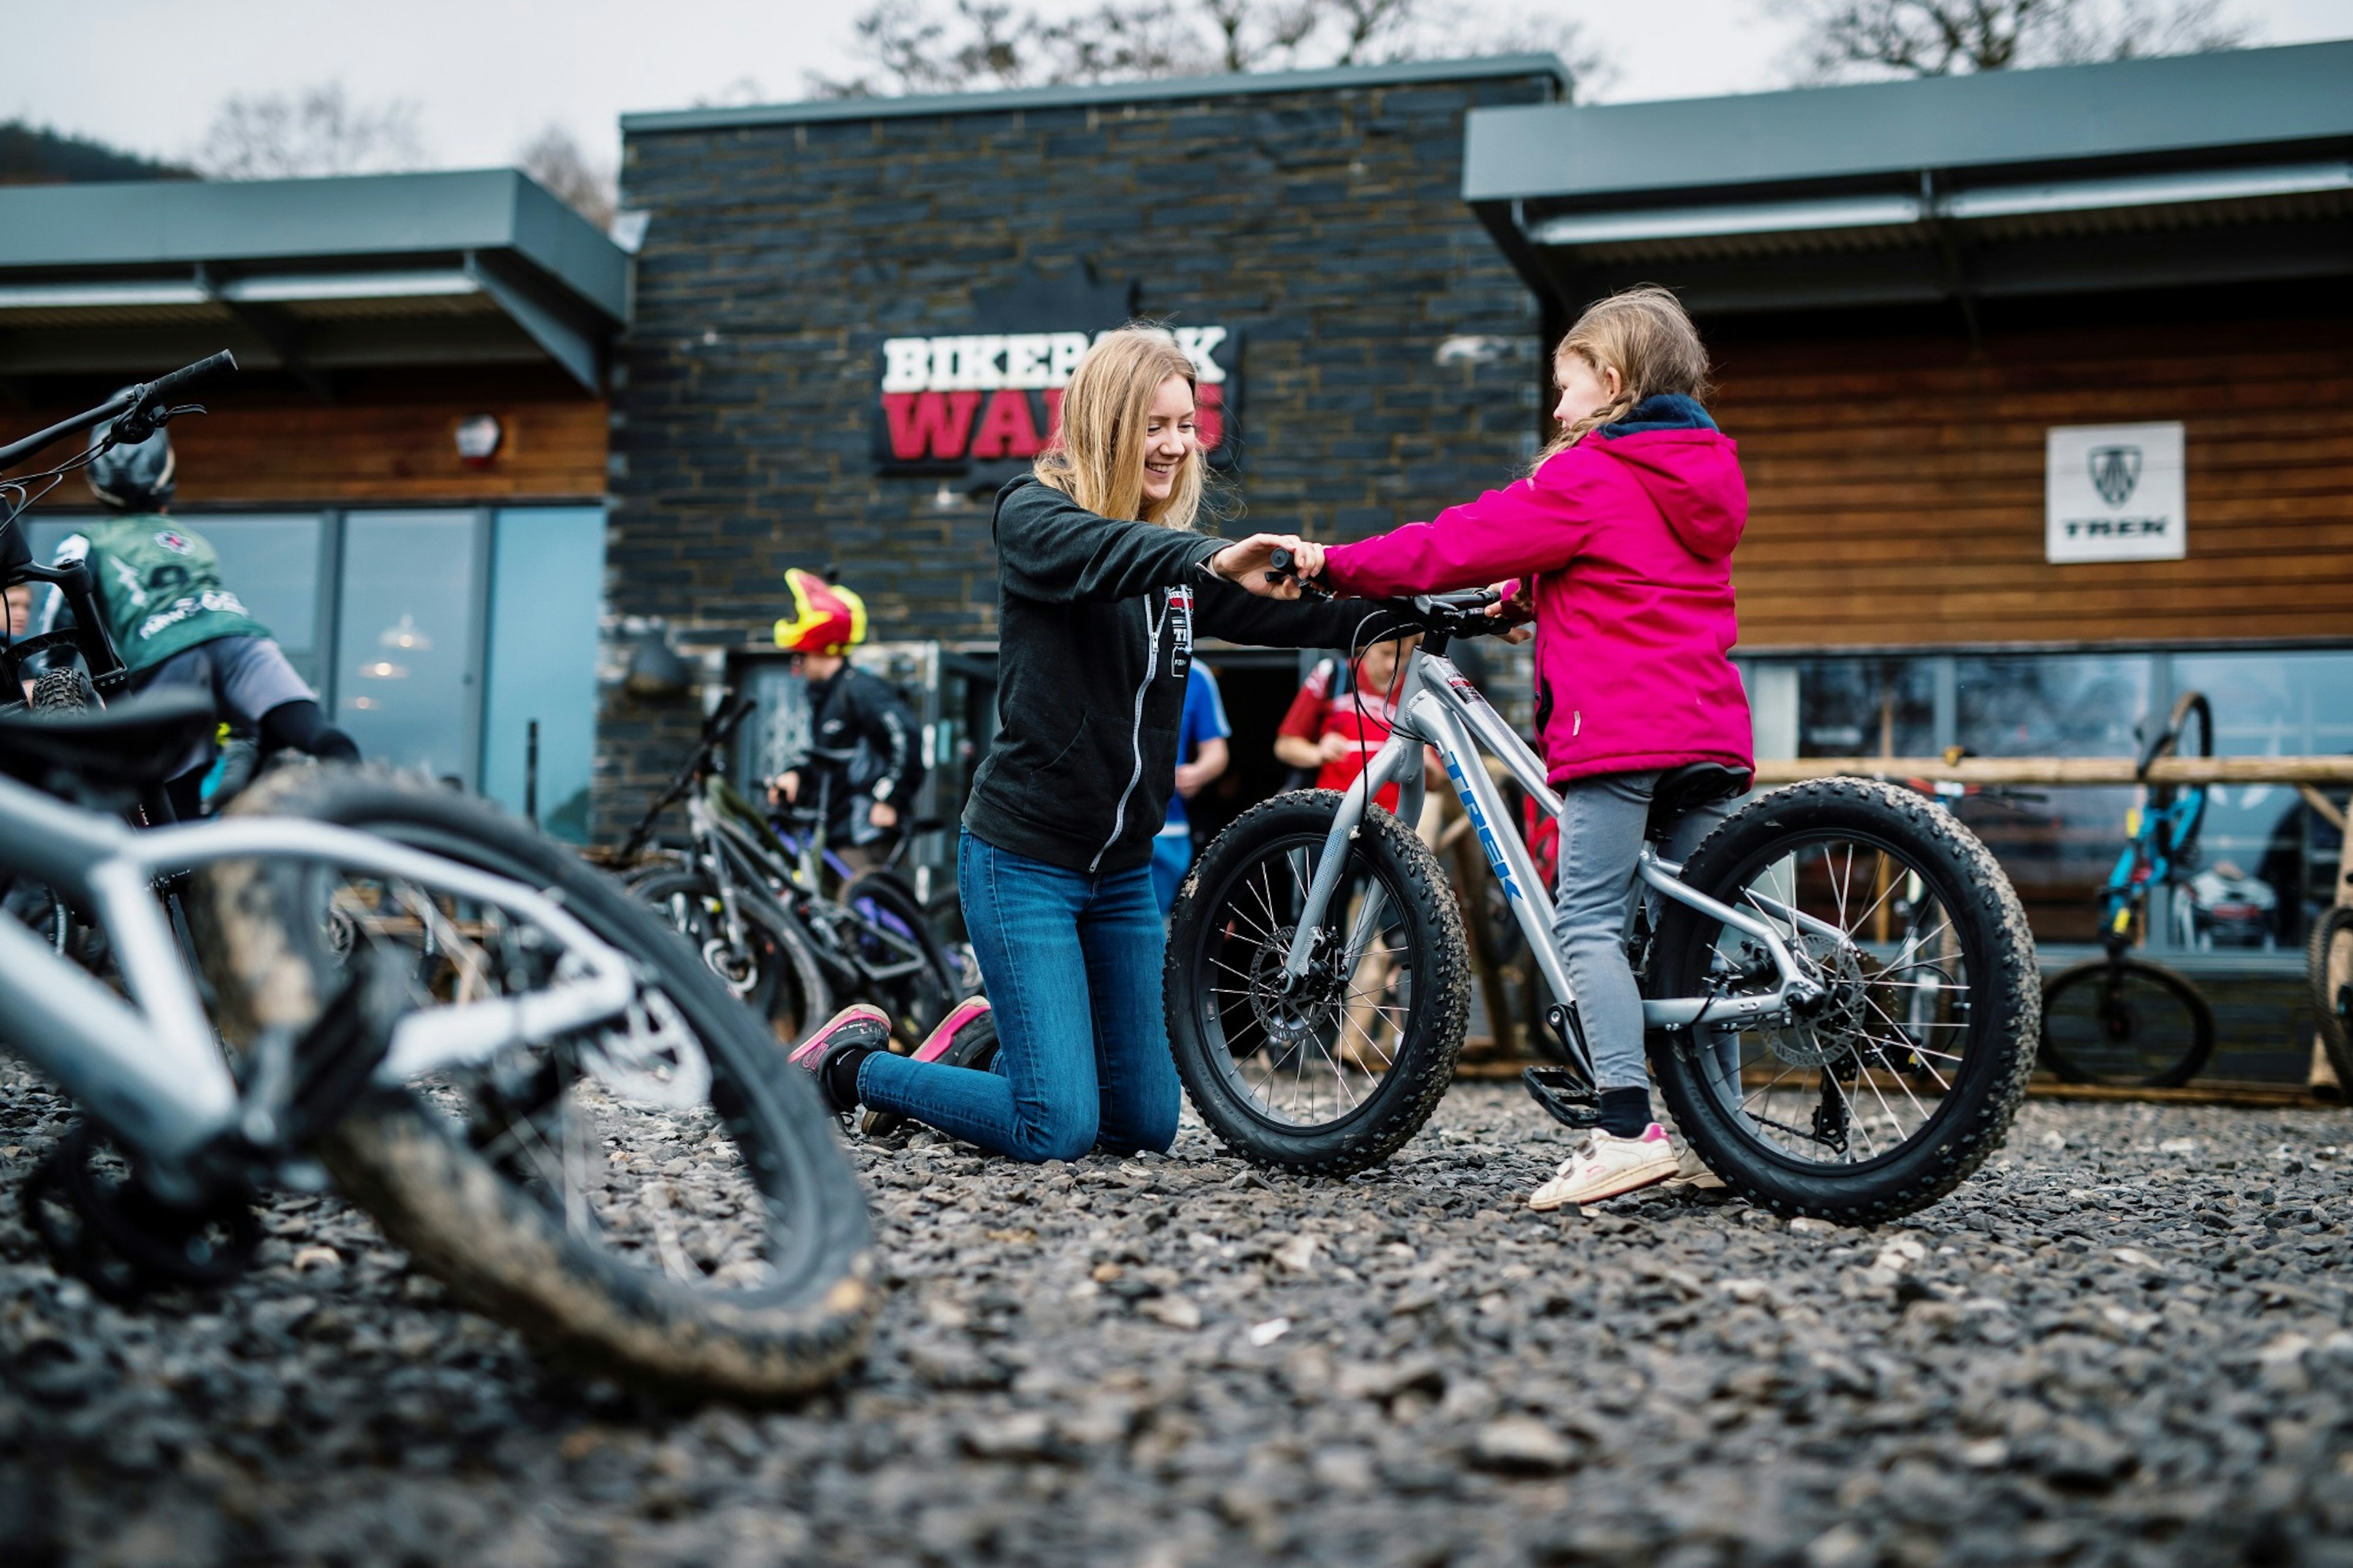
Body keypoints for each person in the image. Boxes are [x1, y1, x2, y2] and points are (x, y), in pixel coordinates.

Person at [789, 325, 1384, 1162]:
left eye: (1187, 423)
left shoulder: (1169, 565)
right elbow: (1110, 552)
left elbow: (1290, 610)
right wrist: (1211, 556)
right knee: (1054, 1126)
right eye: (1155, 424)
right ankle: (853, 1066)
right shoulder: (1034, 517)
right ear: (1106, 421)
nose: (1177, 444)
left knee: (1141, 1123)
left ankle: (987, 1042)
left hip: (1121, 877)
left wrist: (1413, 606)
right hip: (1022, 863)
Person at [1290, 285, 1753, 1210]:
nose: (1556, 408)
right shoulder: (1700, 476)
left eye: (1567, 387)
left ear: (1612, 383)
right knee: (1695, 940)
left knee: (1586, 920)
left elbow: (1454, 542)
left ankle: (1624, 1127)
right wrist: (1521, 600)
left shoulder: (1590, 471)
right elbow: (1635, 572)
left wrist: (1335, 562)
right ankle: (1722, 1137)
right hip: (1709, 727)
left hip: (1621, 732)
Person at [39, 406, 357, 819]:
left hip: (165, 655)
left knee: (174, 801)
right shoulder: (190, 539)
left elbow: (58, 631)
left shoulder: (86, 541)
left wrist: (45, 683)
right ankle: (376, 840)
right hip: (238, 637)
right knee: (327, 741)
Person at [766, 569, 925, 876]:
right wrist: (795, 775)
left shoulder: (860, 689)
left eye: (800, 656)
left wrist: (890, 799)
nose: (796, 665)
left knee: (860, 913)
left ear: (820, 649)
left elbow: (906, 736)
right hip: (832, 828)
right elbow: (828, 755)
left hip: (864, 833)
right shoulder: (825, 698)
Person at [1272, 633, 1419, 814]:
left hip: (1391, 822)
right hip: (1328, 812)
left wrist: (1423, 762)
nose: (1392, 665)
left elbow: (1438, 782)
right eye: (1385, 653)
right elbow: (1284, 746)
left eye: (1402, 656)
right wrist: (1318, 753)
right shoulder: (1334, 675)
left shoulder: (1416, 694)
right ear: (1365, 646)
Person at [1151, 661, 1230, 915]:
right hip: (1100, 826)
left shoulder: (1196, 673)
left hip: (1168, 829)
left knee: (1157, 934)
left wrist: (1198, 773)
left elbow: (1216, 751)